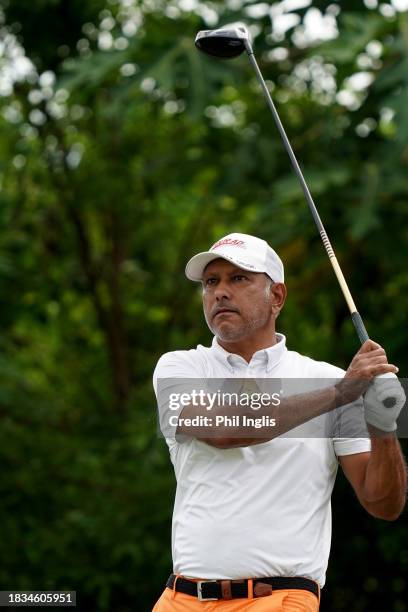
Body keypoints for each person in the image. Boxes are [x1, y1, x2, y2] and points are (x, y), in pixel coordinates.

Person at [152, 233, 407, 611]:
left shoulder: (329, 378)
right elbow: (226, 430)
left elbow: (383, 503)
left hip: (281, 599)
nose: (220, 292)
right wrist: (340, 393)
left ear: (277, 297)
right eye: (211, 282)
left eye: (238, 278)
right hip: (181, 600)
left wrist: (384, 426)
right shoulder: (180, 367)